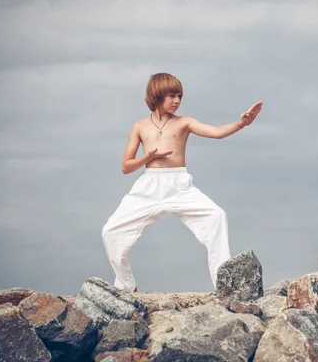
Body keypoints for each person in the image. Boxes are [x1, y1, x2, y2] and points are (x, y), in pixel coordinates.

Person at [101, 72, 263, 292]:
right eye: (172, 96)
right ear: (156, 96)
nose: (177, 101)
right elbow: (126, 166)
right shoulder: (140, 126)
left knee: (216, 217)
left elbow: (216, 133)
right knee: (110, 232)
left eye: (180, 96)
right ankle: (127, 285)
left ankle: (223, 286)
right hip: (149, 186)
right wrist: (149, 157)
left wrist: (241, 123)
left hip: (179, 185)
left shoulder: (184, 122)